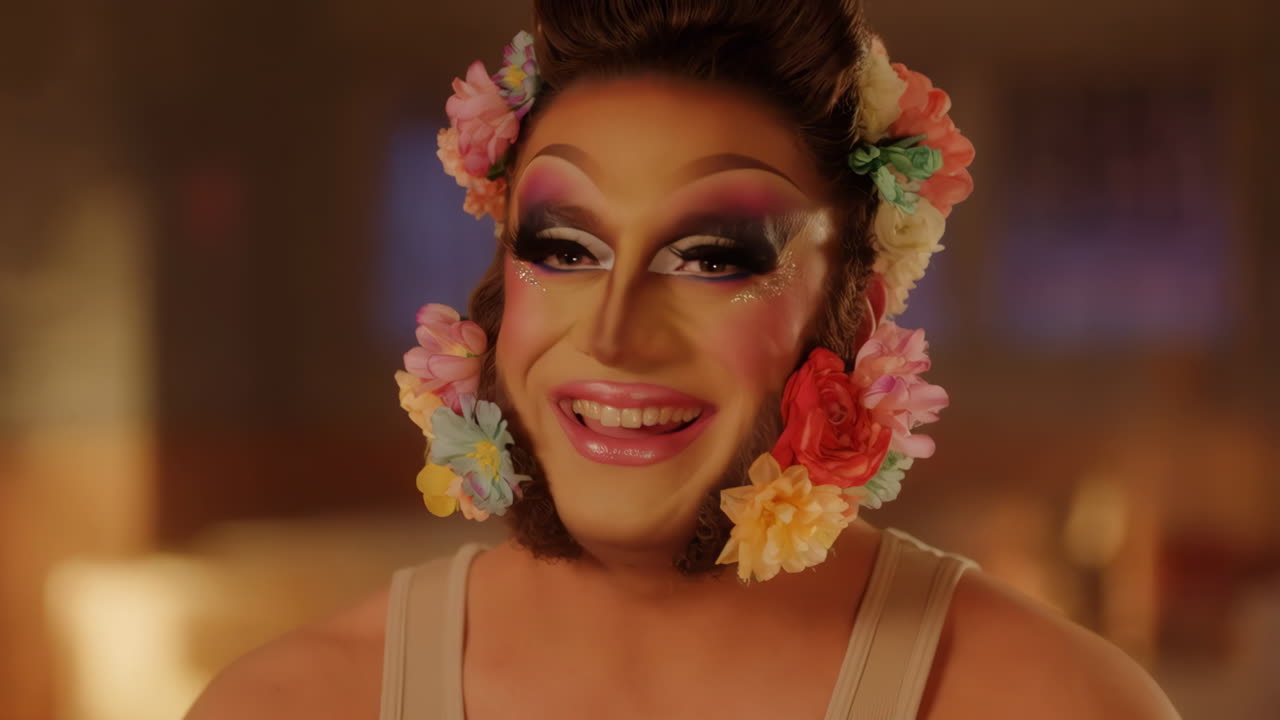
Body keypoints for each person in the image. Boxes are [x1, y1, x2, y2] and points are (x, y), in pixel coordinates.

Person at [187, 1, 1181, 718]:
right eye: (563, 250)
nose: (614, 332)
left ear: (856, 310)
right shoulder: (289, 705)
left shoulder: (1055, 705)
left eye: (710, 257)